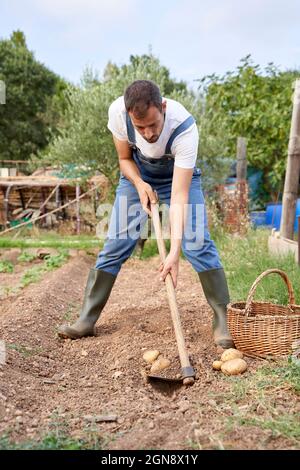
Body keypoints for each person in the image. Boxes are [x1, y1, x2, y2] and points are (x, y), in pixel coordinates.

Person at [58, 80, 234, 349]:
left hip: (178, 179)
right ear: (129, 115)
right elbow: (125, 159)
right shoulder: (118, 113)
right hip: (136, 177)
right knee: (116, 244)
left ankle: (222, 319)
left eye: (153, 124)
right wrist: (140, 185)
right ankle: (86, 320)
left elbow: (179, 196)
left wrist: (175, 251)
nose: (149, 133)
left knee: (197, 243)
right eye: (140, 127)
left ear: (162, 106)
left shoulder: (184, 128)